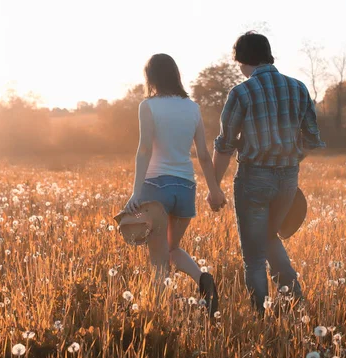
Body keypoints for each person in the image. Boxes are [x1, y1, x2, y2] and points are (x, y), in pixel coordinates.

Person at [209, 32, 325, 313]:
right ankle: (295, 300)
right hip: (288, 179)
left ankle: (260, 315)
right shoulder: (298, 88)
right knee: (270, 237)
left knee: (254, 257)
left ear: (241, 60)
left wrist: (215, 188)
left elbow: (225, 145)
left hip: (253, 179)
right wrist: (289, 158)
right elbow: (311, 139)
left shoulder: (241, 92)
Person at [124, 54, 225, 316]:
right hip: (185, 188)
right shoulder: (192, 107)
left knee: (158, 260)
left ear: (151, 77)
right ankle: (203, 280)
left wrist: (136, 191)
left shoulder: (148, 106)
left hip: (155, 187)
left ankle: (158, 315)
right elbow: (203, 153)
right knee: (171, 249)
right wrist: (214, 189)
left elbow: (145, 148)